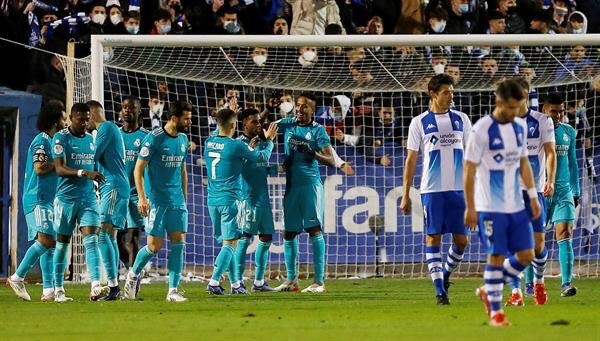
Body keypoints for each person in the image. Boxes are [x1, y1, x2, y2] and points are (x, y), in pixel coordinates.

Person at [464, 79, 539, 327]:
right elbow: (468, 170)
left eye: (518, 108)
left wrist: (532, 194)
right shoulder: (481, 129)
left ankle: (489, 287)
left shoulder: (519, 127)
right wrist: (471, 206)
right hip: (490, 207)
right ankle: (496, 313)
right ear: (498, 102)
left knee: (527, 255)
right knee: (496, 255)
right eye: (510, 108)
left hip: (516, 205)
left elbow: (523, 163)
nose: (514, 112)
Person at [400, 74, 471, 305]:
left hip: (459, 190)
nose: (451, 96)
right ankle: (440, 291)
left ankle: (445, 274)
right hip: (432, 190)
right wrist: (405, 194)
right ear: (432, 94)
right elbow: (411, 159)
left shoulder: (462, 119)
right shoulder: (419, 122)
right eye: (446, 92)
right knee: (433, 238)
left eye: (452, 92)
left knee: (462, 241)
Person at [123, 100, 192, 302]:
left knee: (179, 243)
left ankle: (172, 290)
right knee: (154, 246)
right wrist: (142, 199)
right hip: (157, 202)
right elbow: (138, 169)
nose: (189, 121)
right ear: (174, 118)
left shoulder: (184, 139)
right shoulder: (154, 139)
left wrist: (185, 199)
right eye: (186, 118)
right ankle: (133, 275)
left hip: (177, 202)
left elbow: (183, 170)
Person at [204, 109, 277, 295]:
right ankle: (214, 281)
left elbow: (219, 131)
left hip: (212, 200)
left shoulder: (209, 141)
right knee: (231, 244)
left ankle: (236, 285)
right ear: (235, 125)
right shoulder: (235, 145)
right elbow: (261, 157)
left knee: (227, 244)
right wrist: (269, 141)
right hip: (231, 200)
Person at [273, 93, 337, 293]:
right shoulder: (288, 124)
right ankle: (292, 280)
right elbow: (267, 129)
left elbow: (331, 161)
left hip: (310, 185)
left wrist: (312, 153)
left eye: (304, 107)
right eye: (298, 106)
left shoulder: (319, 131)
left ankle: (319, 282)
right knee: (289, 232)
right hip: (292, 186)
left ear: (312, 110)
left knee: (313, 229)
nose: (300, 110)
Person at [7, 101, 67, 302]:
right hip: (37, 198)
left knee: (50, 244)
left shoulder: (54, 141)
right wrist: (58, 165)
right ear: (55, 119)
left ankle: (48, 290)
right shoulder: (42, 140)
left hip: (48, 199)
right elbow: (40, 167)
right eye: (63, 117)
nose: (66, 121)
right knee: (47, 241)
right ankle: (18, 276)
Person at [505, 79, 556, 306]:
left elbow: (551, 153)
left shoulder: (542, 121)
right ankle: (516, 293)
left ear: (525, 94)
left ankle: (538, 282)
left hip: (534, 191)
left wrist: (550, 180)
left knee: (537, 246)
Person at [52, 103, 108, 302]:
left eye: (87, 119)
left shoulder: (91, 139)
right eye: (81, 119)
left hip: (88, 198)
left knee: (91, 240)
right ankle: (58, 289)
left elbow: (94, 166)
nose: (85, 123)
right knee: (62, 244)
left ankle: (95, 285)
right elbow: (59, 168)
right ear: (71, 117)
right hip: (65, 199)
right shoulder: (61, 138)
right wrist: (82, 172)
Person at [88, 100, 129, 300]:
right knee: (109, 237)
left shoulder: (105, 128)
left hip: (112, 186)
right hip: (114, 186)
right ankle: (114, 287)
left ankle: (114, 286)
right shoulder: (111, 129)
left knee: (103, 235)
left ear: (92, 113)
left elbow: (92, 157)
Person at [234, 109, 278, 292]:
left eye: (259, 121)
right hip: (247, 198)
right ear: (244, 123)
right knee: (244, 239)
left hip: (263, 198)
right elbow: (240, 167)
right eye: (253, 122)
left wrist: (278, 169)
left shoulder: (261, 142)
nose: (258, 124)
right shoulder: (238, 144)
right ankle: (237, 282)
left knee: (267, 237)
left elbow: (262, 165)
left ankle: (259, 282)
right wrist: (270, 143)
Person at [542, 92, 580, 297]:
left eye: (560, 112)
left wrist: (577, 191)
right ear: (544, 110)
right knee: (535, 241)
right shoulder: (534, 132)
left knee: (565, 233)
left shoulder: (569, 132)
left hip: (564, 190)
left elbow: (573, 163)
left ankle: (566, 283)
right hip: (541, 191)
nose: (557, 115)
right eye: (553, 111)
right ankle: (531, 284)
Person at [118, 97, 148, 278]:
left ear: (139, 112)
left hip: (137, 194)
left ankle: (134, 274)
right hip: (119, 192)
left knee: (135, 234)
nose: (127, 110)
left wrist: (146, 195)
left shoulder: (145, 136)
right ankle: (129, 265)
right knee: (116, 236)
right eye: (124, 107)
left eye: (131, 107)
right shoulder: (115, 135)